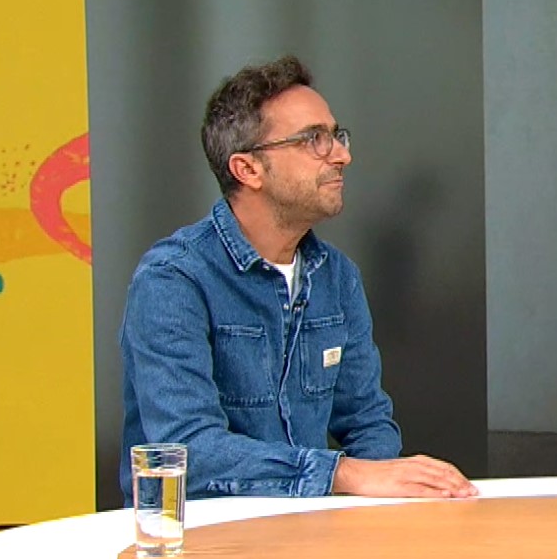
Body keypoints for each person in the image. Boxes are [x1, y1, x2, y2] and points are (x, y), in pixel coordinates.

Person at [119, 56, 476, 502]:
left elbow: (366, 422)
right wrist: (340, 475)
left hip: (309, 530)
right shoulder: (174, 280)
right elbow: (189, 451)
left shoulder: (337, 277)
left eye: (337, 136)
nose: (342, 155)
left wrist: (390, 498)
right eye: (314, 140)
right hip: (205, 536)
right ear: (248, 169)